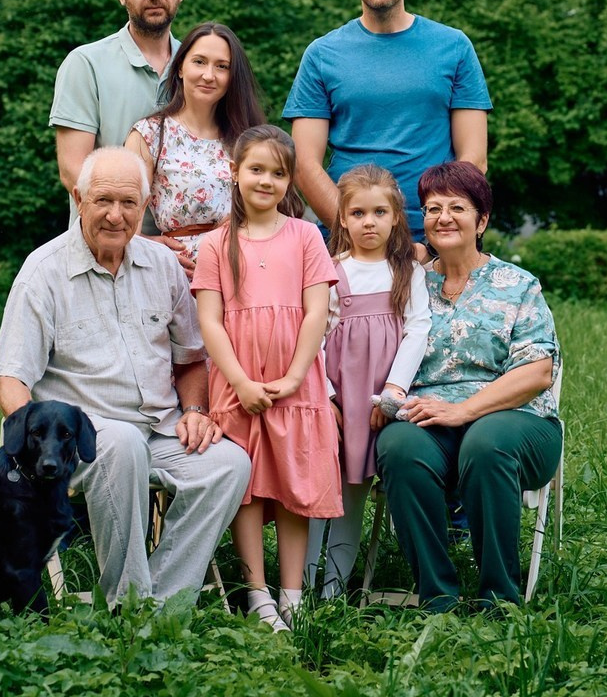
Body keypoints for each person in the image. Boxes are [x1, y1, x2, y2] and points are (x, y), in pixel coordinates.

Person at [0, 147, 251, 608]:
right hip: (82, 438)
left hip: (159, 429)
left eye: (129, 203)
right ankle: (128, 606)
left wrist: (194, 409)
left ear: (145, 206)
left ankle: (162, 603)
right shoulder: (44, 272)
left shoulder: (162, 264)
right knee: (124, 444)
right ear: (78, 199)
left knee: (229, 465)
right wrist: (36, 445)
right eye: (103, 200)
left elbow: (191, 358)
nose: (116, 215)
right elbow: (11, 379)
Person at [375, 161, 561, 612]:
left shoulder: (517, 285)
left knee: (486, 441)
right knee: (399, 446)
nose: (443, 217)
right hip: (429, 419)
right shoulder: (408, 283)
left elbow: (538, 372)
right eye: (433, 208)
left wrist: (464, 410)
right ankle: (437, 595)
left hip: (516, 421)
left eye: (457, 207)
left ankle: (499, 597)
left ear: (481, 221)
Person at [192, 125, 341, 631]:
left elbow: (316, 311)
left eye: (278, 173)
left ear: (289, 181)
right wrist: (239, 382)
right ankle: (258, 595)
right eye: (256, 169)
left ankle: (292, 594)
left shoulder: (305, 236)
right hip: (238, 386)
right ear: (234, 172)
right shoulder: (216, 243)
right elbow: (210, 321)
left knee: (295, 484)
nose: (266, 181)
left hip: (295, 386)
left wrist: (296, 375)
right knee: (249, 488)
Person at [283, 0, 492, 241]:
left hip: (435, 242)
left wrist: (436, 239)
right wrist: (357, 237)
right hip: (348, 243)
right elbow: (304, 165)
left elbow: (474, 160)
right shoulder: (322, 54)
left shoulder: (454, 47)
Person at [305, 164, 430, 599]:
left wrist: (393, 392)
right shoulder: (329, 269)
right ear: (342, 218)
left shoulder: (407, 271)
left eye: (379, 212)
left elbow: (418, 328)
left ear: (396, 217)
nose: (369, 222)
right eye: (358, 213)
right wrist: (327, 397)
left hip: (378, 398)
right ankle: (301, 583)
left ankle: (333, 589)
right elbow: (313, 338)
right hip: (337, 397)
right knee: (321, 486)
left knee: (354, 489)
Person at [49, 0, 185, 229]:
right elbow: (73, 171)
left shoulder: (198, 68)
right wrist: (134, 237)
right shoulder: (86, 63)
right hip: (108, 242)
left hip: (183, 247)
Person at [125, 22, 265, 274]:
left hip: (244, 267)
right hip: (181, 273)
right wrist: (152, 249)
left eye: (222, 66)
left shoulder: (247, 138)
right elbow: (124, 219)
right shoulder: (150, 134)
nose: (209, 75)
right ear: (180, 67)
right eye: (199, 62)